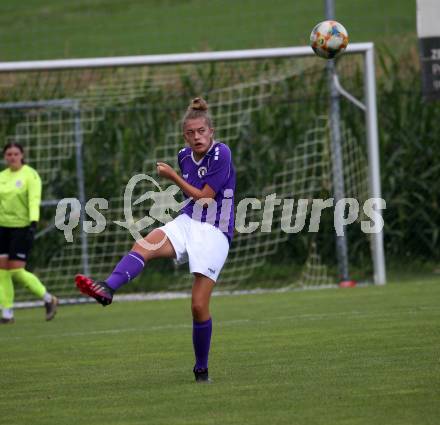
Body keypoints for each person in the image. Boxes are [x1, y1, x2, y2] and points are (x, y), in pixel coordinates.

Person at [75, 97, 236, 383]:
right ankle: (108, 289)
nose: (196, 137)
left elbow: (205, 197)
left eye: (201, 131)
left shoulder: (221, 153)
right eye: (190, 132)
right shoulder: (184, 155)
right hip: (188, 221)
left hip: (215, 230)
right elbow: (192, 200)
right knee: (144, 244)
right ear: (184, 135)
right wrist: (178, 174)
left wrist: (172, 177)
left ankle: (201, 369)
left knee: (198, 306)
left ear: (211, 131)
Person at [0, 142, 58, 324]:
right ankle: (7, 312)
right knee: (2, 272)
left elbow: (34, 200)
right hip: (2, 228)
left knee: (16, 270)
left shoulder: (30, 175)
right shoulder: (2, 176)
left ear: (22, 155)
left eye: (15, 153)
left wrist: (33, 224)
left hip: (22, 227)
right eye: (8, 154)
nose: (12, 157)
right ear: (4, 157)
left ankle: (49, 299)